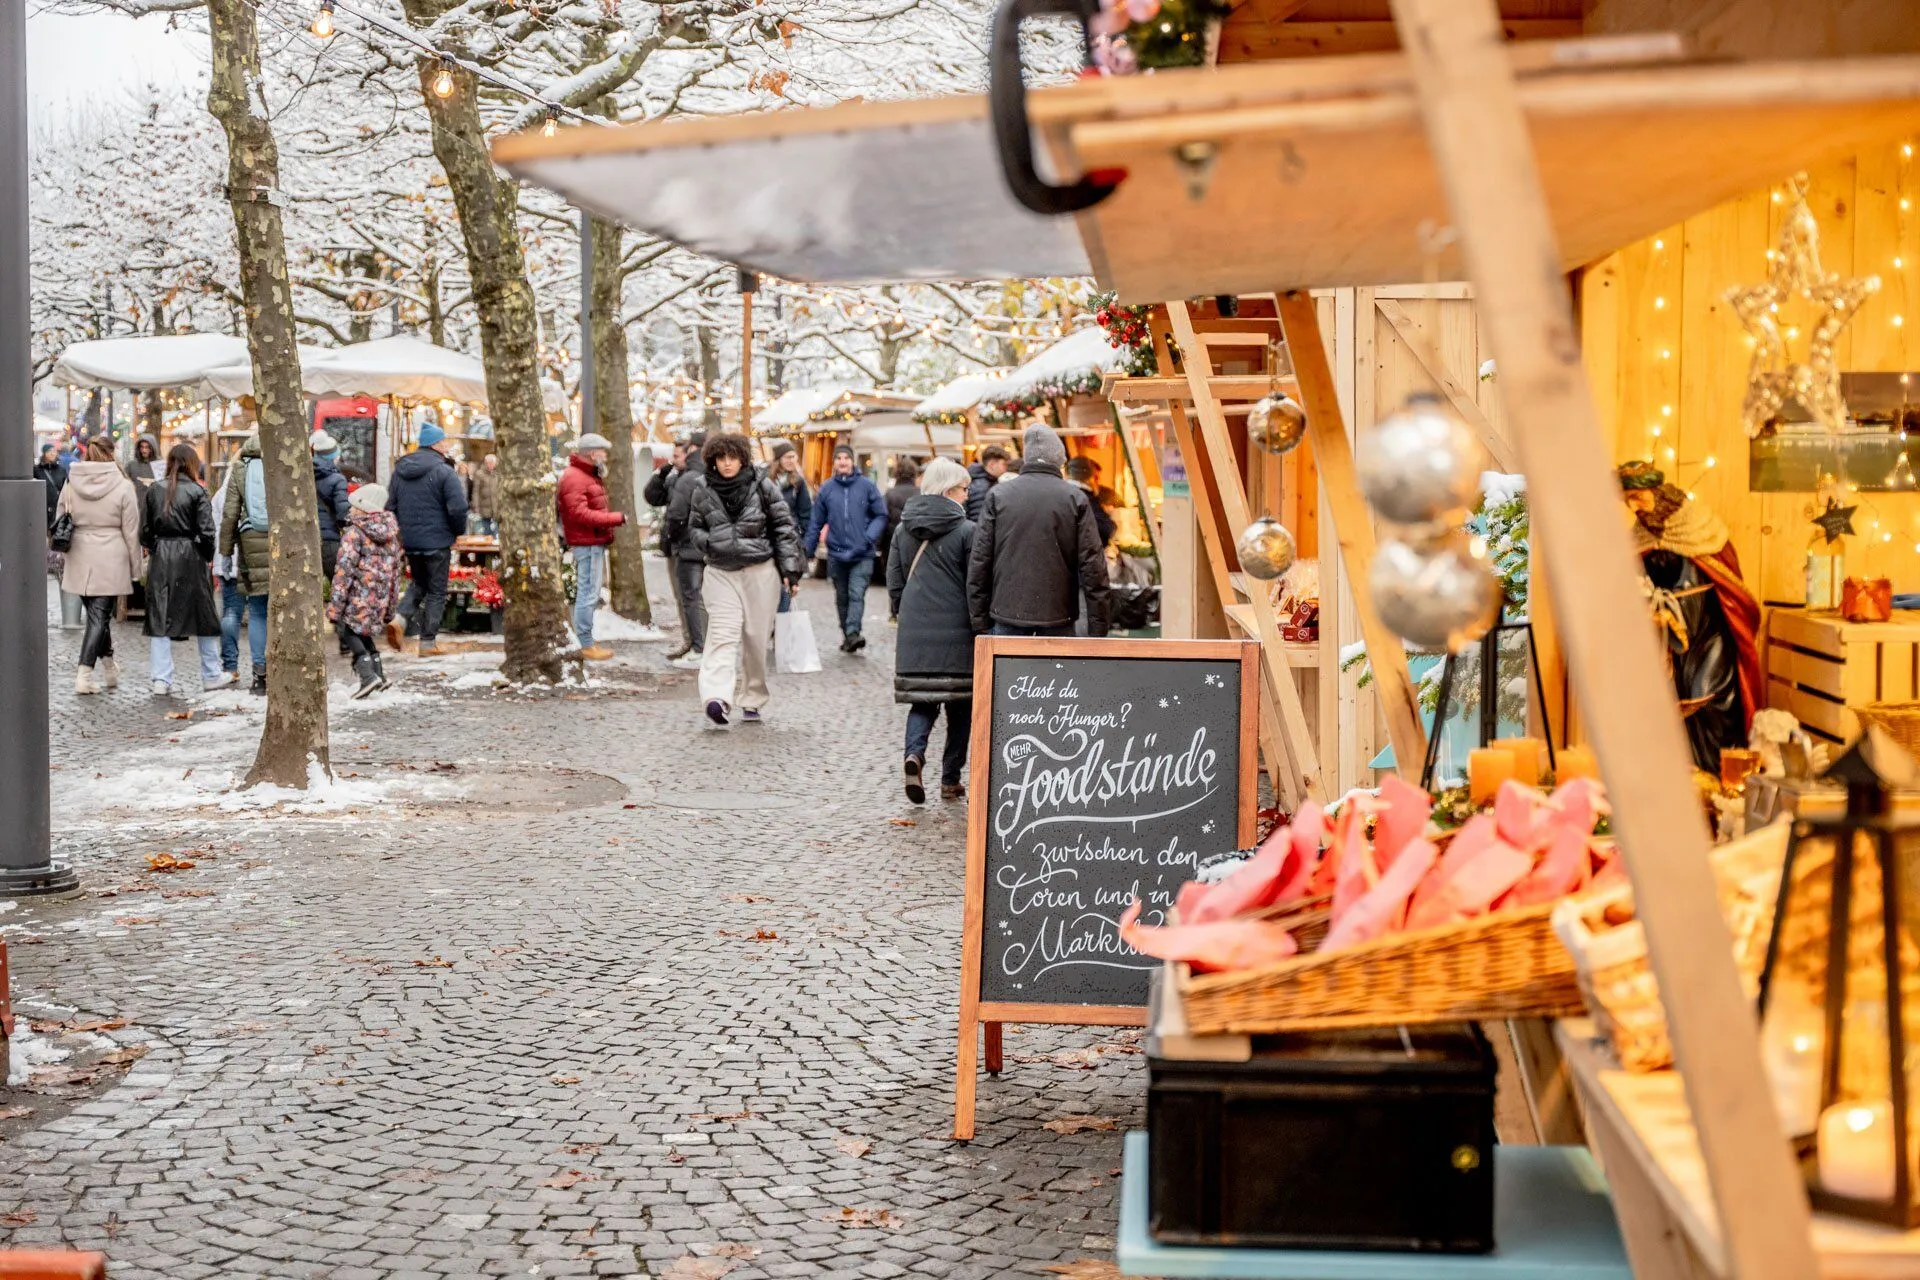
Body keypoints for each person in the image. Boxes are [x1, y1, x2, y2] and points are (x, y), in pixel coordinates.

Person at [680, 433, 802, 727]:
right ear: (713, 460)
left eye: (732, 457)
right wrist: (709, 543)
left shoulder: (763, 486)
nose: (727, 464)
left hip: (759, 571)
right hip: (721, 572)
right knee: (722, 634)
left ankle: (753, 697)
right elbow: (694, 526)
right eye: (721, 458)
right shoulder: (702, 489)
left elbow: (783, 528)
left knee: (755, 639)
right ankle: (716, 698)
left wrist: (791, 571)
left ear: (742, 458)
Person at [888, 457, 978, 804]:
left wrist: (905, 614)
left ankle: (914, 755)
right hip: (957, 633)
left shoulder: (902, 529)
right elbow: (974, 586)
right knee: (960, 708)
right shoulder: (966, 531)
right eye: (964, 489)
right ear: (947, 489)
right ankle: (950, 780)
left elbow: (895, 582)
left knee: (922, 702)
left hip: (915, 630)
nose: (967, 496)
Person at [967, 424, 1111, 638]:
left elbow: (980, 559)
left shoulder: (998, 496)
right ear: (1059, 460)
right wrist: (1098, 626)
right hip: (1058, 613)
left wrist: (979, 619)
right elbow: (1093, 565)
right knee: (1056, 671)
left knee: (1009, 671)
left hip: (1007, 610)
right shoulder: (1074, 498)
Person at [57, 437, 141, 695]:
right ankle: (84, 674)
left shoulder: (72, 480)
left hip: (80, 553)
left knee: (97, 617)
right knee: (99, 618)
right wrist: (136, 568)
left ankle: (109, 666)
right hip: (111, 554)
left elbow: (61, 515)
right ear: (111, 453)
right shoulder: (123, 485)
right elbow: (131, 530)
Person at [141, 445, 224, 697]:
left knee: (160, 615)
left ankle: (161, 679)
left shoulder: (155, 490)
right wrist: (205, 556)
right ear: (192, 463)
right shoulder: (198, 491)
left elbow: (145, 530)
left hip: (163, 557)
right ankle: (211, 673)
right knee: (203, 614)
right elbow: (208, 531)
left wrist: (156, 546)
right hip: (191, 556)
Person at [383, 423, 468, 657]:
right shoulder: (444, 471)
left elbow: (391, 506)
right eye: (444, 441)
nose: (447, 445)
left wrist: (402, 535)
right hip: (438, 540)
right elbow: (458, 508)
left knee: (419, 582)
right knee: (436, 591)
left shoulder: (400, 470)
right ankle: (428, 643)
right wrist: (456, 532)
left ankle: (400, 619)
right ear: (436, 444)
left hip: (411, 540)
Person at [803, 444, 887, 653]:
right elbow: (816, 522)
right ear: (835, 462)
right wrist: (808, 551)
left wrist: (869, 537)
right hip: (837, 553)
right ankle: (847, 633)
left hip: (862, 553)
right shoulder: (827, 489)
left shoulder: (867, 486)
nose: (842, 461)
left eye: (846, 458)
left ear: (852, 461)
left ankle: (853, 632)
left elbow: (881, 514)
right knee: (842, 597)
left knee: (856, 593)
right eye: (839, 458)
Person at [557, 433, 628, 661]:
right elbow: (578, 513)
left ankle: (585, 640)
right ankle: (585, 643)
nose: (605, 455)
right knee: (588, 592)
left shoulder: (583, 475)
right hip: (586, 542)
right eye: (602, 451)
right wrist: (613, 518)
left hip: (590, 541)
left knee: (589, 591)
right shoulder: (576, 477)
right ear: (592, 452)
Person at [330, 483, 403, 700]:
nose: (350, 511)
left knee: (346, 629)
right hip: (378, 596)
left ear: (363, 508)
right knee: (363, 632)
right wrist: (390, 605)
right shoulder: (391, 534)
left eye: (353, 507)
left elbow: (344, 571)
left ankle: (367, 676)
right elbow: (396, 572)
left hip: (356, 594)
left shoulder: (355, 533)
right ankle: (379, 673)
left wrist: (336, 605)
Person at [219, 434, 274, 694]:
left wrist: (226, 552)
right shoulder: (283, 463)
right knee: (283, 609)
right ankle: (284, 667)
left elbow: (230, 514)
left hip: (250, 542)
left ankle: (259, 674)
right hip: (281, 541)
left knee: (257, 610)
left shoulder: (239, 469)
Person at [662, 431, 710, 668]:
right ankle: (697, 644)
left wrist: (672, 536)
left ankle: (699, 646)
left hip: (688, 546)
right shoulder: (705, 474)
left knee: (690, 597)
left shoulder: (690, 477)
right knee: (697, 598)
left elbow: (677, 514)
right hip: (704, 544)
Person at [209, 456, 245, 686]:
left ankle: (230, 666)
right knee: (261, 614)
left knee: (231, 611)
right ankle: (262, 666)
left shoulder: (222, 492)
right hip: (251, 559)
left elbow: (214, 528)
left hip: (227, 559)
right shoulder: (258, 486)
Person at [768, 441, 813, 613]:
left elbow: (805, 513)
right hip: (770, 539)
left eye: (793, 457)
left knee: (787, 581)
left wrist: (804, 540)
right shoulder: (767, 480)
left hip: (790, 538)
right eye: (787, 457)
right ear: (778, 459)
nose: (791, 460)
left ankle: (781, 618)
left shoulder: (798, 483)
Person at [311, 432, 352, 581]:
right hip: (328, 539)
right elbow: (343, 514)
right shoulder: (337, 479)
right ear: (334, 456)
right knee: (339, 583)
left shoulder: (306, 474)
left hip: (308, 538)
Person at [878, 457, 919, 586]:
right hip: (915, 544)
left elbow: (882, 519)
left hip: (891, 544)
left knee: (894, 582)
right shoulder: (921, 494)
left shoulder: (889, 495)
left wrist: (878, 543)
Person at [1066, 456, 1117, 548]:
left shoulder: (1058, 493)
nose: (1097, 482)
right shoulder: (1086, 497)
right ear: (1089, 478)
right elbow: (1106, 529)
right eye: (1096, 478)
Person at [965, 445, 1010, 523]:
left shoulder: (985, 482)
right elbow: (978, 519)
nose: (1006, 469)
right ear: (992, 465)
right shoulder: (982, 487)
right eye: (1004, 464)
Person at [34, 443, 66, 532]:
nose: (53, 453)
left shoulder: (61, 470)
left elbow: (66, 488)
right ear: (44, 454)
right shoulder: (36, 470)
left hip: (58, 508)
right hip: (41, 508)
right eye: (49, 451)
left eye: (54, 451)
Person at [470, 452, 500, 536]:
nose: (490, 465)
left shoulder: (498, 474)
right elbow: (475, 491)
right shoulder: (479, 474)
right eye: (488, 463)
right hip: (484, 506)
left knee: (498, 531)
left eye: (492, 463)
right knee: (486, 530)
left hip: (497, 506)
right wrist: (476, 506)